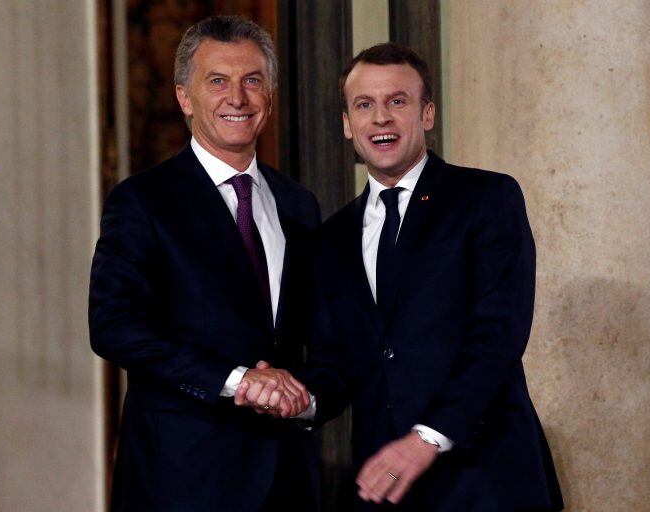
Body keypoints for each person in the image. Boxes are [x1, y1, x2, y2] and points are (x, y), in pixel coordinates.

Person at [238, 42, 564, 511]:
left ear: (427, 114)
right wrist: (300, 397)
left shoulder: (486, 198)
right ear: (348, 124)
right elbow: (337, 360)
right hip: (385, 489)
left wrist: (425, 439)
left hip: (487, 481)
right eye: (364, 105)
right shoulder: (332, 238)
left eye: (397, 101)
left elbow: (498, 335)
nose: (381, 118)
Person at [88, 15, 321, 512]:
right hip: (184, 477)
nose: (237, 97)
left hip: (287, 476)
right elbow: (113, 325)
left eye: (252, 81)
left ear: (270, 98)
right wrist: (238, 380)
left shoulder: (298, 204)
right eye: (218, 81)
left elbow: (312, 334)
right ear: (184, 97)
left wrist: (307, 397)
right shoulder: (143, 201)